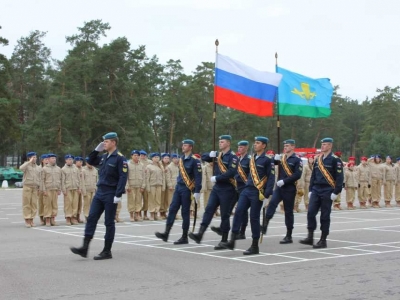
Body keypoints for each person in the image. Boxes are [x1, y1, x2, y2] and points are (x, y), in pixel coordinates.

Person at [70, 132, 128, 260]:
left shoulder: (120, 158)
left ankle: (107, 251)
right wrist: (96, 150)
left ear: (113, 142)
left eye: (106, 142)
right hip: (100, 192)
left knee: (109, 222)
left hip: (111, 193)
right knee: (91, 218)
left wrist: (118, 195)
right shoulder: (104, 156)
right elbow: (90, 161)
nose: (104, 144)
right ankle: (84, 248)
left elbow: (123, 177)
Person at [220, 136, 275, 255]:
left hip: (257, 192)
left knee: (254, 218)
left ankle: (254, 245)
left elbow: (271, 178)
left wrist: (267, 195)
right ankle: (232, 239)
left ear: (264, 145)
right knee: (238, 212)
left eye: (258, 143)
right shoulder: (252, 158)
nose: (255, 145)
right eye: (254, 143)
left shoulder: (267, 160)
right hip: (246, 189)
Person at [189, 135, 238, 249]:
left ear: (228, 143)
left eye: (222, 142)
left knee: (224, 214)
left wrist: (217, 178)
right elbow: (204, 157)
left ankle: (224, 240)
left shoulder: (233, 157)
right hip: (217, 189)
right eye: (219, 141)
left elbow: (231, 171)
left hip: (227, 188)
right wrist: (210, 154)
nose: (220, 143)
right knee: (209, 209)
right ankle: (200, 234)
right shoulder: (218, 155)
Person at [155, 139, 202, 244]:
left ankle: (184, 237)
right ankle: (166, 233)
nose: (183, 147)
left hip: (187, 189)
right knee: (172, 209)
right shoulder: (181, 159)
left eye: (185, 145)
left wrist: (197, 191)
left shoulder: (195, 160)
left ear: (190, 147)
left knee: (185, 212)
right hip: (178, 187)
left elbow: (198, 177)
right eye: (183, 145)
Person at [299, 138, 344, 249]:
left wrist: (336, 192)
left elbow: (339, 177)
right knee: (310, 213)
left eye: (325, 144)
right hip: (316, 189)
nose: (322, 146)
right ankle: (310, 236)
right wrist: (310, 189)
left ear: (330, 146)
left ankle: (323, 239)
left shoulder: (335, 160)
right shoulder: (318, 159)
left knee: (324, 216)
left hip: (328, 190)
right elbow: (313, 175)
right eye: (322, 144)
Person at [263, 139, 302, 244]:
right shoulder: (281, 158)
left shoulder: (297, 160)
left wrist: (285, 181)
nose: (285, 147)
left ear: (293, 147)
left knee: (288, 212)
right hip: (279, 188)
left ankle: (289, 235)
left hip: (289, 188)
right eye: (284, 146)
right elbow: (271, 166)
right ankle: (265, 223)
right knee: (272, 204)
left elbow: (297, 175)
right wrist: (274, 160)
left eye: (288, 146)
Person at [20, 152, 41, 228]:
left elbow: (40, 178)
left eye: (35, 157)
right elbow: (21, 168)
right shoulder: (27, 166)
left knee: (34, 204)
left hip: (35, 187)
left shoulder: (38, 168)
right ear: (29, 158)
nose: (35, 159)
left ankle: (32, 219)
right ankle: (27, 219)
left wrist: (39, 188)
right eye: (33, 157)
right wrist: (28, 162)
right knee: (27, 204)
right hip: (27, 187)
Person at [41, 154, 62, 227]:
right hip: (48, 189)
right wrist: (43, 190)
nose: (54, 159)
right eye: (52, 158)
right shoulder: (44, 169)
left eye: (55, 158)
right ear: (49, 159)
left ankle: (53, 219)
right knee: (47, 205)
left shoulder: (58, 169)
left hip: (55, 189)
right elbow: (42, 180)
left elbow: (60, 179)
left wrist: (59, 189)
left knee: (54, 205)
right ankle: (47, 219)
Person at [126, 150, 146, 222]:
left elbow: (144, 176)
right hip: (131, 185)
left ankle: (137, 215)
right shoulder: (127, 164)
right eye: (134, 155)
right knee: (131, 201)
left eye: (137, 155)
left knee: (138, 201)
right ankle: (131, 215)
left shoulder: (141, 165)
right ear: (131, 156)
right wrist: (127, 186)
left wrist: (143, 186)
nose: (136, 157)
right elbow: (126, 176)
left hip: (139, 185)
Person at [61, 154, 81, 225]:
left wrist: (79, 188)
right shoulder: (63, 169)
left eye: (71, 159)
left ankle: (73, 217)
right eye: (69, 159)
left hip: (75, 188)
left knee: (75, 204)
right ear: (66, 160)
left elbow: (79, 179)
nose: (70, 161)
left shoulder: (76, 168)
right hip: (68, 188)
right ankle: (68, 218)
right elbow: (62, 181)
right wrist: (64, 190)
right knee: (68, 204)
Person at [146, 153, 165, 220]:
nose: (156, 158)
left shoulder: (161, 166)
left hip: (159, 184)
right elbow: (147, 178)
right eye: (155, 157)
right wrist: (147, 187)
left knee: (158, 200)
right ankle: (151, 214)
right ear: (152, 158)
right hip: (152, 185)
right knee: (152, 200)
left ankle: (156, 213)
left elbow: (163, 177)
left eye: (157, 157)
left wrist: (163, 186)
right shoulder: (149, 167)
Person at [82, 157, 98, 222]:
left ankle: (92, 216)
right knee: (86, 204)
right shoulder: (83, 170)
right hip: (87, 189)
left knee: (93, 204)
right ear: (86, 163)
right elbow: (82, 181)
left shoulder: (95, 170)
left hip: (93, 190)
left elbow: (97, 181)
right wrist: (84, 191)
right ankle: (86, 216)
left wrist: (97, 190)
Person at [38, 154, 49, 225]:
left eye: (48, 159)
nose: (47, 161)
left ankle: (47, 217)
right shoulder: (38, 168)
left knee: (47, 204)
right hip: (40, 188)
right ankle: (41, 218)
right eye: (45, 159)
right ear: (42, 160)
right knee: (41, 204)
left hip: (47, 188)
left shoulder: (49, 168)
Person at [139, 150, 151, 220]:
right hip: (140, 182)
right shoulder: (138, 162)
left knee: (146, 200)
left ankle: (145, 214)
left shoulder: (149, 162)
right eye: (141, 155)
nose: (142, 156)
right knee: (139, 200)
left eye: (144, 155)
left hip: (147, 183)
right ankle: (139, 214)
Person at [160, 153, 171, 219]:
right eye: (165, 158)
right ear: (162, 159)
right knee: (161, 199)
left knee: (167, 199)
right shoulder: (159, 164)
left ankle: (165, 212)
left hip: (168, 184)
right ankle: (161, 212)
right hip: (162, 184)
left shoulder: (170, 165)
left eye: (167, 158)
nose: (166, 159)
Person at [74, 156, 85, 223]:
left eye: (81, 162)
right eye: (79, 162)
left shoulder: (83, 170)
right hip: (76, 188)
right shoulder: (74, 169)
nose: (81, 163)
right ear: (76, 162)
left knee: (80, 204)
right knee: (75, 204)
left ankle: (78, 216)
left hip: (82, 188)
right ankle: (74, 217)